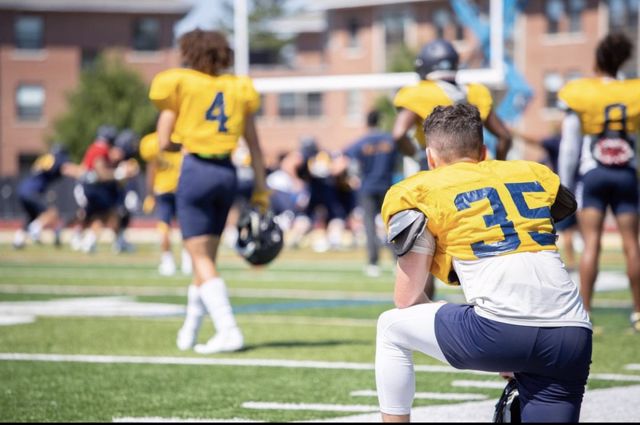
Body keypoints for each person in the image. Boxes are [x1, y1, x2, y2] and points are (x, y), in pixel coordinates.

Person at [376, 104, 592, 422]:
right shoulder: (533, 174)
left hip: (499, 329)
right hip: (572, 333)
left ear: (431, 157)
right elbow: (561, 206)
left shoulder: (421, 189)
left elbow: (406, 299)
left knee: (390, 327)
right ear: (484, 152)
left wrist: (501, 343)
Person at [149, 29, 269, 354]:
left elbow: (163, 140)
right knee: (206, 260)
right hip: (227, 173)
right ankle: (190, 329)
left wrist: (185, 142)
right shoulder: (238, 87)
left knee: (199, 257)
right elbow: (255, 147)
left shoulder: (182, 83)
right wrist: (261, 189)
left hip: (197, 171)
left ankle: (228, 329)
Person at [391, 38, 512, 300]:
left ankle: (420, 314)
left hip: (437, 179)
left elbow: (398, 133)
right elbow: (505, 137)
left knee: (422, 250)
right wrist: (498, 168)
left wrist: (418, 155)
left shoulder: (418, 92)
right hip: (477, 180)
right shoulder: (476, 92)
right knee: (479, 246)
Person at [557, 33, 640, 331]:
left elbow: (570, 145)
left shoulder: (581, 91)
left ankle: (586, 310)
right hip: (626, 173)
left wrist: (564, 184)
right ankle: (639, 313)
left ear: (597, 60)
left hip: (593, 173)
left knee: (591, 242)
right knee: (632, 245)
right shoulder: (633, 91)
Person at [510, 123, 581, 272]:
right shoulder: (577, 143)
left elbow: (535, 140)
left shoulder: (558, 142)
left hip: (564, 190)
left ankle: (571, 263)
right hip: (579, 188)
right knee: (581, 231)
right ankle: (574, 262)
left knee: (566, 231)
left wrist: (514, 132)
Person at [337, 109, 399, 277]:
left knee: (370, 226)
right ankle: (397, 261)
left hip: (367, 188)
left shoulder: (362, 141)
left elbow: (344, 157)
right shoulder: (390, 140)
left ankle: (373, 263)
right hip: (387, 186)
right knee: (392, 225)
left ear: (367, 122)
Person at [139, 131, 191, 276]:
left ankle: (168, 261)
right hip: (182, 187)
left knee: (164, 226)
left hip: (164, 189)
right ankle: (187, 259)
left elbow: (151, 171)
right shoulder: (183, 137)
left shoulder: (152, 141)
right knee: (186, 226)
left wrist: (150, 195)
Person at [13, 144, 80, 249]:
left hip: (23, 189)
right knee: (51, 213)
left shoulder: (45, 158)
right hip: (32, 191)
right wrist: (83, 173)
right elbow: (67, 168)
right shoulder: (56, 158)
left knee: (31, 217)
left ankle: (18, 240)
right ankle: (34, 230)